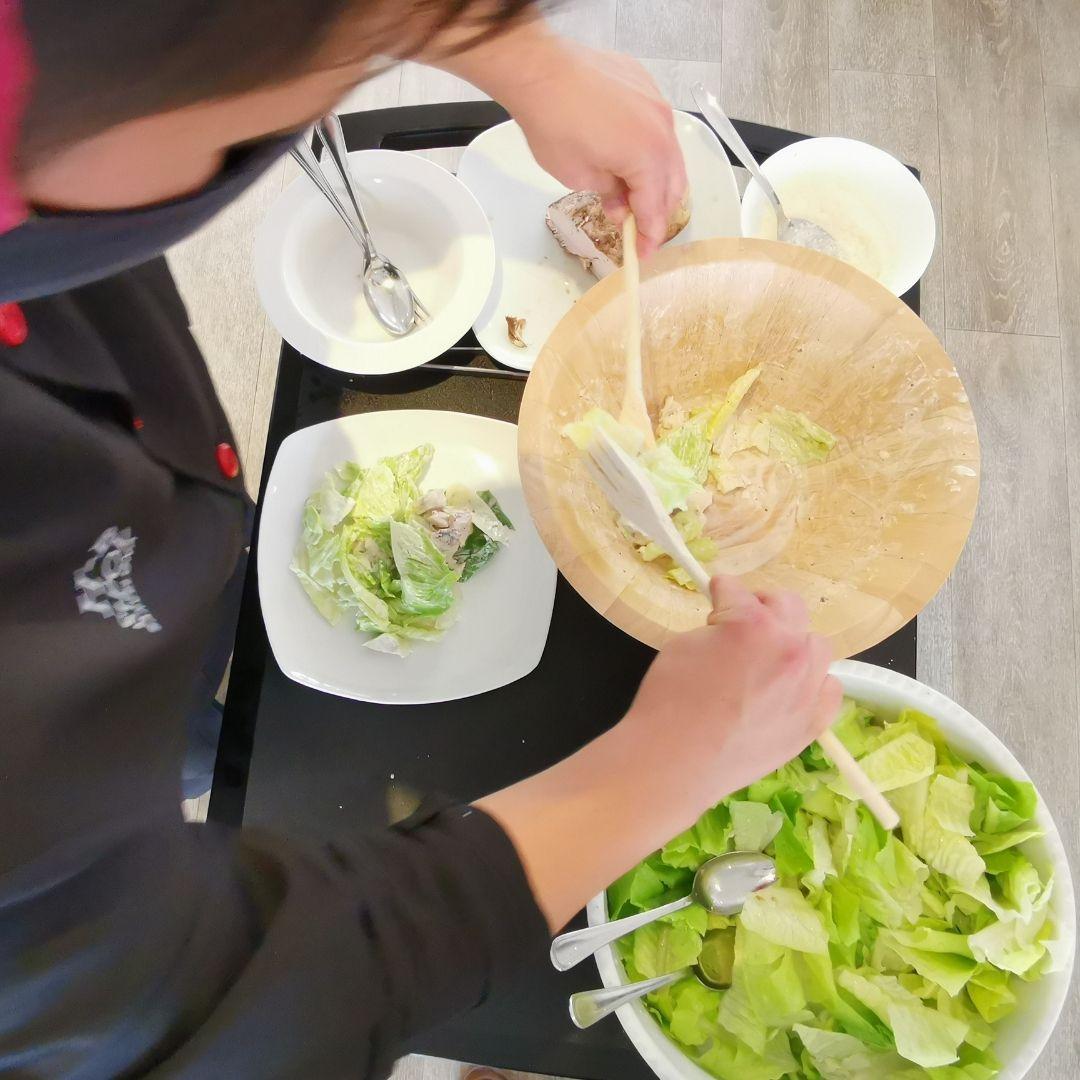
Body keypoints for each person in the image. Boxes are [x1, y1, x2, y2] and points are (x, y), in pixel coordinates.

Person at [0, 1, 841, 1076]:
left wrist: (487, 43)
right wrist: (663, 767)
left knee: (196, 713)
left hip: (158, 571)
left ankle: (193, 737)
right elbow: (211, 1013)